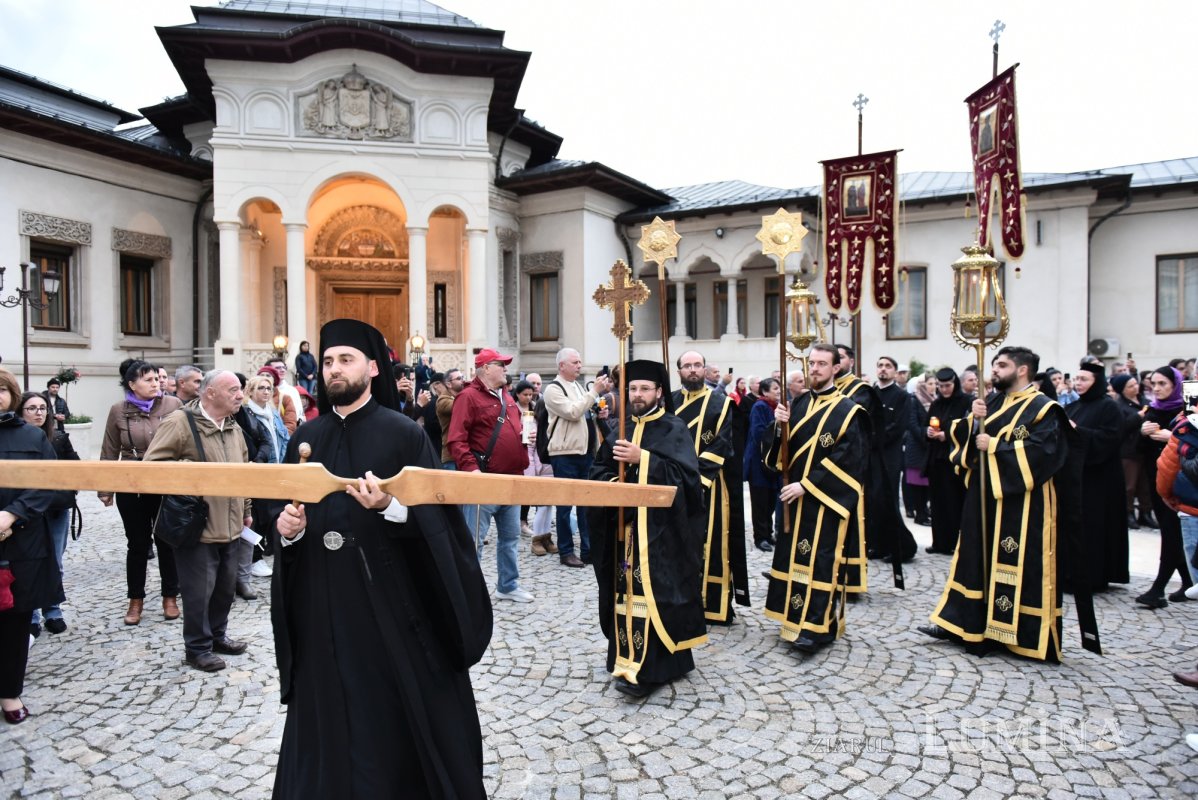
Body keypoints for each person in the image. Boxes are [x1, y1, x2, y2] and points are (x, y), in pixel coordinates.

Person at [271, 319, 491, 798]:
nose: (334, 370)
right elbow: (283, 511)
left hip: (388, 606)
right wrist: (287, 531)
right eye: (327, 361)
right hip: (322, 605)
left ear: (372, 368)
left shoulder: (404, 436)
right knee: (326, 712)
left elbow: (440, 526)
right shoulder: (305, 437)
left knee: (388, 719)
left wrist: (390, 507)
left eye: (345, 360)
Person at [920, 346, 1087, 661]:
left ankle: (1015, 634)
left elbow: (1046, 453)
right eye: (995, 364)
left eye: (1001, 365)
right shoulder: (992, 401)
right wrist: (973, 424)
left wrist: (995, 445)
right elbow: (965, 438)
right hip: (983, 494)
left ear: (1022, 370)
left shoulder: (1043, 408)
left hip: (1023, 504)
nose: (994, 370)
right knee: (973, 559)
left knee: (1017, 564)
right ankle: (961, 623)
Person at [588, 359, 706, 697]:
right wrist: (616, 484)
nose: (637, 394)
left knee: (656, 596)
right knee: (625, 595)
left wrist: (645, 460)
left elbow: (687, 481)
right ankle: (627, 658)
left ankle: (654, 668)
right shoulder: (618, 429)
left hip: (661, 536)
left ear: (659, 392)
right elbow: (598, 472)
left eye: (644, 389)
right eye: (633, 389)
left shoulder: (673, 428)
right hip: (625, 531)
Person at [143, 370, 252, 672]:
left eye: (240, 390)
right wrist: (189, 469)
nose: (240, 395)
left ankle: (217, 636)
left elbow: (243, 471)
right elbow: (152, 468)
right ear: (210, 393)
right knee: (197, 592)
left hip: (230, 524)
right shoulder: (180, 423)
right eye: (233, 390)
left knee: (224, 589)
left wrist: (246, 509)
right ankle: (197, 647)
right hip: (197, 528)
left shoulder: (233, 427)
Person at [763, 344, 869, 654]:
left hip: (824, 501)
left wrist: (806, 486)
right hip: (793, 500)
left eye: (822, 363)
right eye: (812, 363)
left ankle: (817, 627)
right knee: (792, 557)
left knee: (820, 561)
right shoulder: (797, 404)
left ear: (836, 368)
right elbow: (779, 457)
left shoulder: (850, 411)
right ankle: (791, 618)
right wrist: (778, 427)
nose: (816, 369)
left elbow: (848, 459)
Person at [446, 348, 534, 602]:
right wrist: (472, 471)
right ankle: (468, 590)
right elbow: (457, 440)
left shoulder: (506, 396)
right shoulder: (468, 397)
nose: (506, 369)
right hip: (484, 480)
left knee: (510, 538)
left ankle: (507, 585)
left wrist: (521, 438)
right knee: (474, 541)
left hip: (512, 479)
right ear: (485, 368)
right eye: (501, 365)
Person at [98, 360, 182, 625]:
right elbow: (109, 450)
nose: (155, 383)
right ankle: (135, 601)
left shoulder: (173, 406)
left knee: (167, 542)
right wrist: (106, 488)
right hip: (131, 483)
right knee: (137, 544)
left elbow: (187, 441)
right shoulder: (117, 411)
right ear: (131, 384)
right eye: (147, 380)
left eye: (157, 379)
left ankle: (170, 597)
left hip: (165, 481)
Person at [0, 368, 62, 725]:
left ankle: (9, 691)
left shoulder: (31, 436)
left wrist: (11, 514)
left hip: (20, 544)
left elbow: (46, 482)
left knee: (14, 620)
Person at [673, 351, 749, 625]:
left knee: (713, 543)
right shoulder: (668, 402)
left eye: (697, 365)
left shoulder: (722, 403)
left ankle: (713, 606)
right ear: (678, 370)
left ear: (705, 370)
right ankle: (680, 602)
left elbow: (723, 443)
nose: (693, 370)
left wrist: (695, 479)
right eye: (687, 366)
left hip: (711, 486)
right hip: (674, 486)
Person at [1064, 363, 1130, 592]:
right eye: (1077, 379)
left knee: (1095, 527)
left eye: (1084, 379)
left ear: (1097, 382)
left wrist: (1078, 431)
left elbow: (1110, 439)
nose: (1079, 383)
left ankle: (1094, 576)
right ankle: (1071, 574)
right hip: (1075, 477)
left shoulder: (1109, 407)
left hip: (1101, 479)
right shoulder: (1072, 407)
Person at [543, 347, 612, 567]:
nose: (579, 366)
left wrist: (597, 411)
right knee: (565, 507)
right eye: (575, 362)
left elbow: (584, 411)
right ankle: (566, 551)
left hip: (584, 452)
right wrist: (594, 393)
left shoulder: (578, 385)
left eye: (580, 362)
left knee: (585, 505)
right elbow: (572, 412)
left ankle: (588, 550)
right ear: (561, 365)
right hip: (564, 454)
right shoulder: (552, 389)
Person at [18, 392, 77, 636]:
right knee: (28, 563)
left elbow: (75, 467)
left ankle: (52, 610)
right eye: (32, 408)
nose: (39, 413)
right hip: (25, 509)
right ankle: (31, 614)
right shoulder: (16, 438)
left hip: (54, 509)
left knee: (55, 561)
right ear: (21, 411)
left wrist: (65, 487)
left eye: (43, 408)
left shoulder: (59, 438)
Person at [1134, 366, 1192, 607]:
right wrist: (1140, 432)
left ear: (1175, 385)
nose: (1157, 389)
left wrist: (1173, 438)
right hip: (1155, 480)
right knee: (1171, 533)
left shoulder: (1186, 412)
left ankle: (1158, 589)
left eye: (1162, 384)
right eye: (1153, 385)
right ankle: (1189, 582)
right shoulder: (1151, 410)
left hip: (1180, 483)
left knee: (1171, 534)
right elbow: (1136, 449)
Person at [238, 374, 291, 597]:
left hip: (277, 470)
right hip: (258, 471)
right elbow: (256, 444)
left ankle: (270, 554)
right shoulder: (246, 414)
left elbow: (283, 440)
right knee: (257, 516)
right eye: (261, 388)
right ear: (250, 391)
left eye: (269, 388)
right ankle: (255, 559)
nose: (266, 392)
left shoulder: (272, 412)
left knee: (274, 515)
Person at [873, 356, 917, 560]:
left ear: (895, 372)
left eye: (888, 366)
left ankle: (903, 547)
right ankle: (880, 545)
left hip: (889, 455)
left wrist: (875, 438)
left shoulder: (901, 396)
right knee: (875, 500)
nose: (883, 369)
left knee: (888, 500)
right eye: (880, 366)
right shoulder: (871, 393)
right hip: (871, 455)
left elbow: (898, 426)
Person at [925, 368, 971, 554]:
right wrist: (928, 432)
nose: (944, 390)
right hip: (936, 459)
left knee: (954, 502)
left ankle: (954, 543)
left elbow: (968, 427)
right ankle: (939, 542)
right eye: (941, 386)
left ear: (955, 384)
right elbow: (927, 424)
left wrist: (949, 435)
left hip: (954, 459)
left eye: (948, 386)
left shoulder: (965, 402)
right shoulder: (936, 404)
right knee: (937, 503)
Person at [514, 380, 555, 555]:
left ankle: (545, 536)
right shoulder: (533, 425)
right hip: (538, 472)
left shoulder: (552, 426)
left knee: (547, 506)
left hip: (550, 471)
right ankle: (537, 539)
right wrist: (530, 475)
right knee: (542, 507)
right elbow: (529, 451)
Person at [1111, 373, 1153, 530]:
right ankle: (1128, 513)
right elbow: (1121, 427)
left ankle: (1146, 512)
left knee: (1145, 484)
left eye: (1136, 384)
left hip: (1145, 448)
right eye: (1130, 386)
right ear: (1122, 390)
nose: (1135, 387)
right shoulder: (1118, 406)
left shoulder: (1145, 401)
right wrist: (1138, 416)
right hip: (1128, 450)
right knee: (1129, 485)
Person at [745, 378, 782, 552]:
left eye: (779, 388)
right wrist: (775, 424)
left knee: (770, 501)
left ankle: (768, 533)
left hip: (772, 462)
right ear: (765, 392)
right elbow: (759, 432)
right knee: (760, 502)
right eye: (775, 388)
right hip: (759, 463)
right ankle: (760, 537)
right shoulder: (759, 407)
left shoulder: (775, 407)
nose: (778, 391)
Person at [903, 376, 934, 526]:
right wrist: (926, 436)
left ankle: (925, 511)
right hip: (917, 447)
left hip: (930, 448)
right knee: (917, 484)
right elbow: (912, 424)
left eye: (935, 383)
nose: (933, 386)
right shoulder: (914, 400)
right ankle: (919, 514)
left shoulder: (934, 400)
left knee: (928, 484)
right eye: (929, 383)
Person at [436, 367, 465, 468]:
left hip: (463, 453)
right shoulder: (442, 401)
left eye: (462, 377)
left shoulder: (461, 396)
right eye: (458, 378)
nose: (463, 380)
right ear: (448, 384)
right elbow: (461, 406)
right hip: (450, 456)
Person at [257, 365, 298, 434]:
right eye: (262, 375)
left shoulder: (285, 398)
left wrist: (281, 438)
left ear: (274, 379)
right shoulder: (251, 398)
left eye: (268, 375)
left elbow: (290, 424)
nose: (264, 378)